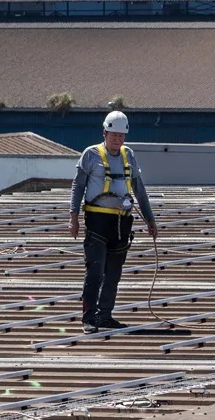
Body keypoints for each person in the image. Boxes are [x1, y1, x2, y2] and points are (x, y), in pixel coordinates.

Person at [69, 111, 159, 334]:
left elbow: (139, 189)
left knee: (113, 273)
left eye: (121, 135)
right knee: (95, 272)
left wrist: (150, 219)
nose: (117, 139)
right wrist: (73, 217)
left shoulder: (129, 155)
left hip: (121, 223)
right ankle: (89, 318)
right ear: (105, 133)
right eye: (113, 135)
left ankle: (105, 315)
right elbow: (78, 186)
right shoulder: (91, 155)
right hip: (97, 221)